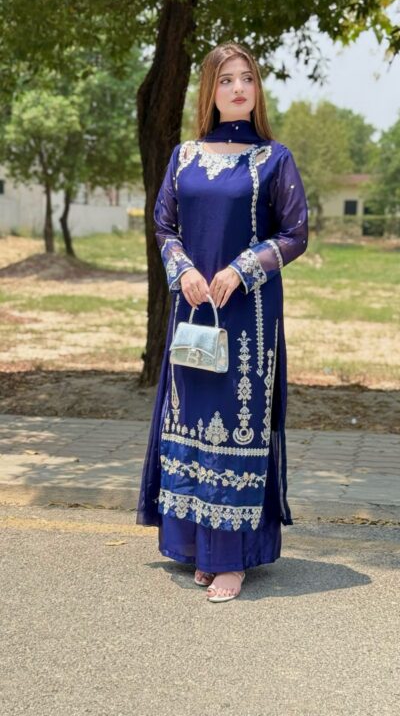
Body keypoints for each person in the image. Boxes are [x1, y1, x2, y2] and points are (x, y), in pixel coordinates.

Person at [136, 41, 308, 603]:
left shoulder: (274, 159)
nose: (238, 88)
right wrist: (182, 269)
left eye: (247, 78)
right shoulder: (184, 156)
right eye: (227, 79)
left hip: (247, 316)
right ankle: (196, 549)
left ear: (257, 90)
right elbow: (165, 226)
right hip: (193, 311)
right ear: (209, 90)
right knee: (189, 422)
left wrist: (241, 268)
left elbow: (294, 234)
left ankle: (230, 559)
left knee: (235, 427)